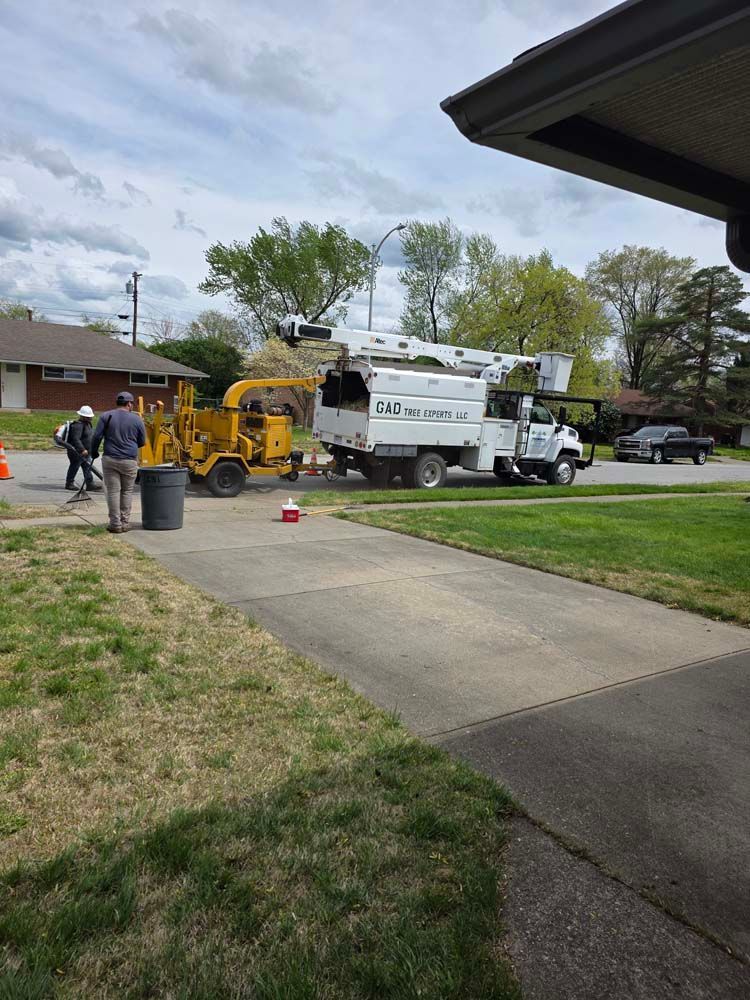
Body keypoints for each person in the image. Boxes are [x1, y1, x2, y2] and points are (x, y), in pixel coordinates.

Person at [91, 391, 146, 534]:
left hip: (110, 459)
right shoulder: (137, 419)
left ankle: (115, 523)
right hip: (129, 460)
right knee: (127, 491)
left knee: (113, 492)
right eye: (132, 403)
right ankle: (125, 523)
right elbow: (142, 441)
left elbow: (97, 436)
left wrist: (94, 451)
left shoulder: (106, 416)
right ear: (129, 403)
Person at [65, 405, 99, 491]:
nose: (90, 418)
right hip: (77, 452)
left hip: (86, 452)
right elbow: (76, 439)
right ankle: (69, 483)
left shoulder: (88, 424)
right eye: (88, 417)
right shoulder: (78, 426)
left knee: (87, 467)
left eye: (90, 417)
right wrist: (82, 449)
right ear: (83, 416)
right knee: (74, 466)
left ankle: (90, 484)